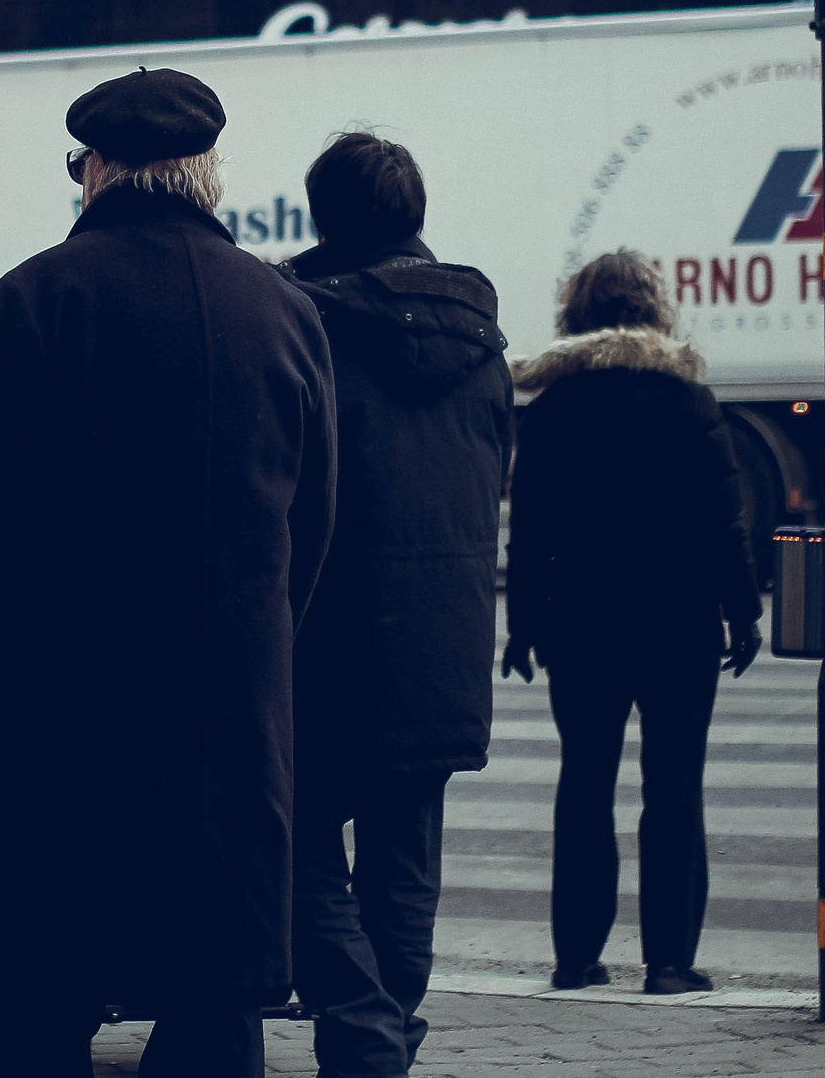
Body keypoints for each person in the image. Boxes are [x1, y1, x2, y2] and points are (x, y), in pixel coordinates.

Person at [0, 68, 338, 1078]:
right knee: (215, 998)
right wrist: (260, 643)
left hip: (68, 718)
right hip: (229, 719)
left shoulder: (35, 299)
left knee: (41, 995)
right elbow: (311, 529)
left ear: (94, 171)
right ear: (208, 176)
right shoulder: (283, 312)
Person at [282, 134, 510, 1077]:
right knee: (404, 852)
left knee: (291, 839)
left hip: (324, 631)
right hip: (443, 638)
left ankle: (365, 1025)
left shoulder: (307, 324)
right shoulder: (481, 338)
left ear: (323, 215)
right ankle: (382, 1029)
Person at [504, 250, 762, 996]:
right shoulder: (688, 400)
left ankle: (576, 958)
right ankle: (670, 962)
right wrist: (742, 610)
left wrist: (521, 625)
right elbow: (725, 517)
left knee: (585, 782)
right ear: (655, 309)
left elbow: (530, 529)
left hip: (580, 623)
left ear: (574, 314)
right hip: (679, 623)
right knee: (675, 789)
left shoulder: (552, 407)